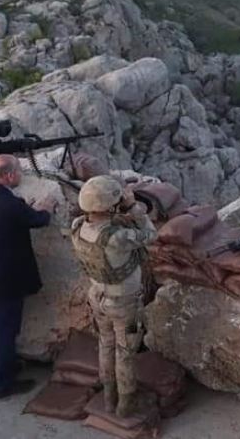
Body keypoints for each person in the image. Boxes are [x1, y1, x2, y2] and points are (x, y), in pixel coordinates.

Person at [0, 155, 54, 399]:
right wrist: (46, 208)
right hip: (3, 282)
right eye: (19, 171)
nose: (21, 175)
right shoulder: (11, 204)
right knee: (4, 332)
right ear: (10, 175)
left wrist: (24, 207)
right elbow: (39, 220)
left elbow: (5, 218)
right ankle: (3, 386)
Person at [71, 175, 158, 418]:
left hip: (97, 296)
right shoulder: (116, 238)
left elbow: (105, 222)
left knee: (105, 345)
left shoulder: (78, 225)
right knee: (125, 351)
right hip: (123, 303)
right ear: (109, 206)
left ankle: (109, 398)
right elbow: (151, 235)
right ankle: (126, 403)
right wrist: (133, 207)